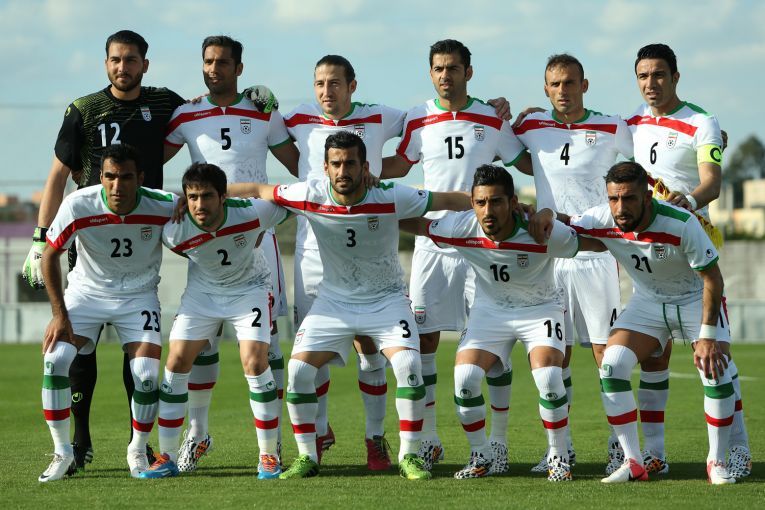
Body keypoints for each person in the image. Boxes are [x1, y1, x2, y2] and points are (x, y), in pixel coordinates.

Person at [284, 53, 513, 469]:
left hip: (447, 245)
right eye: (320, 83)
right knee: (312, 357)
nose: (327, 91)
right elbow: (259, 142)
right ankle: (321, 433)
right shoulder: (295, 118)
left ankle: (397, 440)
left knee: (381, 351)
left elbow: (413, 159)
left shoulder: (389, 116)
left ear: (352, 85)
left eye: (335, 83)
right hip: (315, 250)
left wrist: (368, 175)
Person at [228, 131, 471, 480]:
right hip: (334, 301)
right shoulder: (309, 194)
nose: (343, 171)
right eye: (337, 164)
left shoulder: (390, 194)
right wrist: (206, 195)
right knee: (298, 371)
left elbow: (448, 198)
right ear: (325, 168)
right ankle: (307, 456)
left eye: (350, 163)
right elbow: (257, 189)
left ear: (365, 167)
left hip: (386, 298)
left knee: (408, 363)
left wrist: (502, 204)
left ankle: (410, 456)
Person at [22, 30, 186, 472]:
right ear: (106, 63)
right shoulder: (85, 109)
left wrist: (246, 103)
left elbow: (202, 117)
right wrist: (40, 237)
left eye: (131, 60)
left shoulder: (165, 103)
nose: (122, 67)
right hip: (91, 239)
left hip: (143, 233)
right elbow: (58, 175)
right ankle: (78, 442)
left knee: (141, 366)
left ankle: (139, 445)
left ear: (144, 65)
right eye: (115, 59)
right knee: (76, 353)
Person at [530, 161, 735, 485]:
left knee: (716, 369)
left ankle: (717, 462)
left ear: (647, 197)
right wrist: (546, 213)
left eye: (628, 198)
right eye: (614, 198)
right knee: (612, 366)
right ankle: (634, 461)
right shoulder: (603, 218)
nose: (620, 207)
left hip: (693, 298)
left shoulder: (681, 222)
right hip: (648, 302)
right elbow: (569, 225)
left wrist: (708, 336)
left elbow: (713, 278)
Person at [401, 165, 604, 481]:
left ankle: (559, 456)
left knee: (549, 376)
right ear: (472, 203)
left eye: (496, 202)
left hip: (540, 308)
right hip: (490, 311)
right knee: (465, 378)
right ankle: (481, 455)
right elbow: (419, 225)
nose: (488, 211)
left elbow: (597, 243)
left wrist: (552, 214)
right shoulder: (462, 227)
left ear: (513, 202)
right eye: (480, 202)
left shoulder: (541, 231)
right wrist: (368, 205)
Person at [382, 39, 529, 472]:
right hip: (433, 244)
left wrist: (531, 116)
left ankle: (497, 443)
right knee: (424, 339)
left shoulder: (491, 117)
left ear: (468, 72)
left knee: (493, 343)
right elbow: (398, 166)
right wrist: (358, 171)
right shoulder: (417, 117)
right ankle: (428, 439)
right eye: (438, 68)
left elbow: (526, 161)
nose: (445, 75)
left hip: (483, 247)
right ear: (431, 73)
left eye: (452, 68)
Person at [162, 35, 297, 473]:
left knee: (265, 345)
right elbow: (148, 160)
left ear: (239, 68)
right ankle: (197, 433)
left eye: (222, 62)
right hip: (207, 236)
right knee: (200, 342)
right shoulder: (185, 113)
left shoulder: (263, 111)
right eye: (207, 61)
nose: (213, 68)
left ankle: (275, 444)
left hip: (257, 232)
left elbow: (300, 164)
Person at [626, 43, 750, 479]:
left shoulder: (702, 122)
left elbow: (712, 182)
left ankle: (736, 452)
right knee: (652, 359)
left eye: (659, 74)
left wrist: (688, 202)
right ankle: (655, 455)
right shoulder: (630, 124)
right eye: (643, 76)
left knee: (717, 360)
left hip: (693, 253)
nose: (651, 83)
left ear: (675, 77)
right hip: (649, 259)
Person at [512, 54, 633, 473]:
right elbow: (497, 143)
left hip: (596, 254)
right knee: (554, 356)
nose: (562, 90)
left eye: (569, 82)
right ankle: (559, 450)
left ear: (585, 84)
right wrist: (507, 113)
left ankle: (619, 448)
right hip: (549, 259)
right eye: (555, 84)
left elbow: (651, 157)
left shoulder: (612, 126)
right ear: (545, 89)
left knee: (606, 356)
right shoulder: (531, 127)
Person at [138, 163, 289, 479]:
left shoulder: (251, 213)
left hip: (249, 289)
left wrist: (256, 232)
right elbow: (188, 250)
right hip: (203, 294)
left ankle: (268, 456)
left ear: (223, 197)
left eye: (207, 196)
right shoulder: (174, 231)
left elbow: (285, 204)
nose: (199, 204)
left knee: (254, 362)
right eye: (192, 197)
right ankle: (167, 457)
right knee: (176, 360)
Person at [38, 144, 177, 482]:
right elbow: (49, 256)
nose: (117, 186)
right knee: (55, 360)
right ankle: (62, 452)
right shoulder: (78, 204)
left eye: (126, 177)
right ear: (100, 177)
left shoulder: (165, 204)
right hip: (87, 294)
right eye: (110, 177)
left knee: (146, 374)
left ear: (140, 178)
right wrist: (59, 314)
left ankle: (137, 450)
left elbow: (203, 216)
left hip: (139, 295)